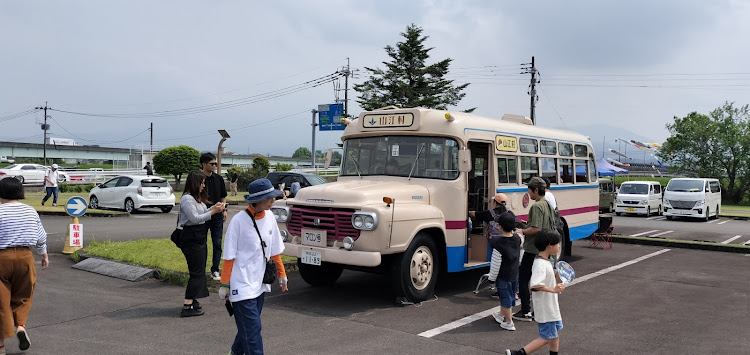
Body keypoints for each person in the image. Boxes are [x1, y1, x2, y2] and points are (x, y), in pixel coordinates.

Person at [218, 178, 289, 355]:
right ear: (257, 200)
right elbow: (229, 257)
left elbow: (274, 250)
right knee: (253, 332)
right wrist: (225, 284)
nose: (273, 200)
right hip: (241, 285)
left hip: (259, 283)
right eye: (269, 197)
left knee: (248, 329)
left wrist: (282, 274)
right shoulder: (238, 221)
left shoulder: (270, 217)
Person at [0, 177, 49, 353]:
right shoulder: (30, 211)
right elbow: (41, 237)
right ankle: (20, 326)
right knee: (24, 295)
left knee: (1, 301)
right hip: (25, 257)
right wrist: (43, 254)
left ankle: (1, 346)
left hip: (1, 258)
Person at [506, 229, 565, 355]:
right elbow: (535, 285)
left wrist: (555, 274)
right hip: (546, 308)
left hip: (551, 307)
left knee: (554, 334)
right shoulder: (540, 264)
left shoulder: (546, 261)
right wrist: (553, 290)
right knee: (547, 337)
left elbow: (545, 280)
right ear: (550, 245)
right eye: (558, 244)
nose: (559, 246)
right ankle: (519, 353)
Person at [178, 170, 225, 317]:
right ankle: (187, 305)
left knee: (199, 270)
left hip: (199, 237)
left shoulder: (196, 199)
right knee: (196, 272)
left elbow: (202, 214)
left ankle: (193, 300)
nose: (204, 186)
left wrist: (215, 208)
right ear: (195, 183)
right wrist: (212, 212)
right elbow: (195, 219)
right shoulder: (187, 199)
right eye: (202, 183)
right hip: (191, 237)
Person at [515, 177, 555, 322]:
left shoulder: (537, 206)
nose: (528, 192)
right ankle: (539, 311)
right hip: (544, 249)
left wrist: (521, 231)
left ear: (536, 190)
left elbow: (536, 228)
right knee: (540, 281)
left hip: (533, 249)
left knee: (523, 279)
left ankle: (525, 311)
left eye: (529, 189)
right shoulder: (548, 204)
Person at [488, 213, 522, 331]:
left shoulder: (498, 243)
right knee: (510, 296)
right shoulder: (517, 239)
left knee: (505, 298)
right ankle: (500, 315)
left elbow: (496, 263)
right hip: (514, 274)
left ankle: (509, 322)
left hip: (503, 276)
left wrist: (491, 278)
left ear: (500, 227)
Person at [200, 153, 228, 281]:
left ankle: (215, 269)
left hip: (217, 216)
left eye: (215, 163)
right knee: (201, 243)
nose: (214, 166)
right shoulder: (198, 178)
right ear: (204, 164)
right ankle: (200, 269)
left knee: (217, 243)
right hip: (202, 215)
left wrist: (224, 209)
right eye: (212, 164)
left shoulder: (219, 178)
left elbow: (223, 195)